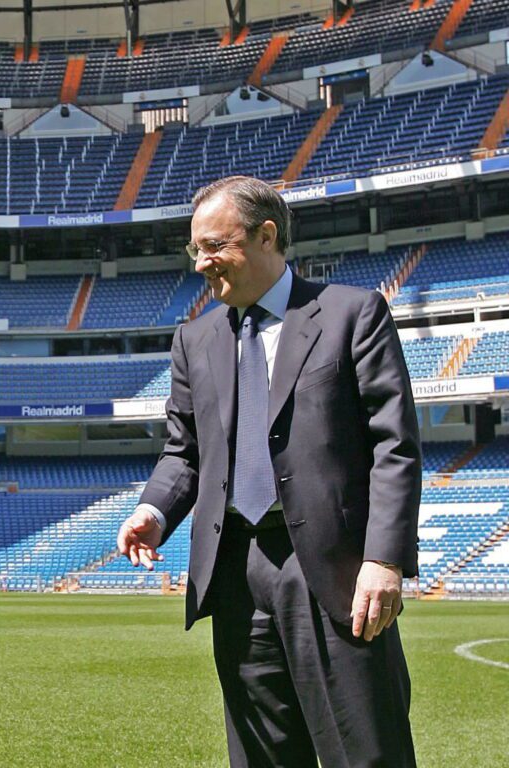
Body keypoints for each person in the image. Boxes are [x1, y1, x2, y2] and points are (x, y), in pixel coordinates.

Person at [117, 176, 421, 767]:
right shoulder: (194, 339)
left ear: (266, 234)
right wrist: (153, 512)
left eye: (214, 246)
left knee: (365, 749)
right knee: (262, 755)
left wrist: (383, 560)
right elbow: (184, 453)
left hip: (334, 568)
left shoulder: (351, 315)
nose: (201, 263)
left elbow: (395, 445)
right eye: (194, 250)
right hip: (234, 571)